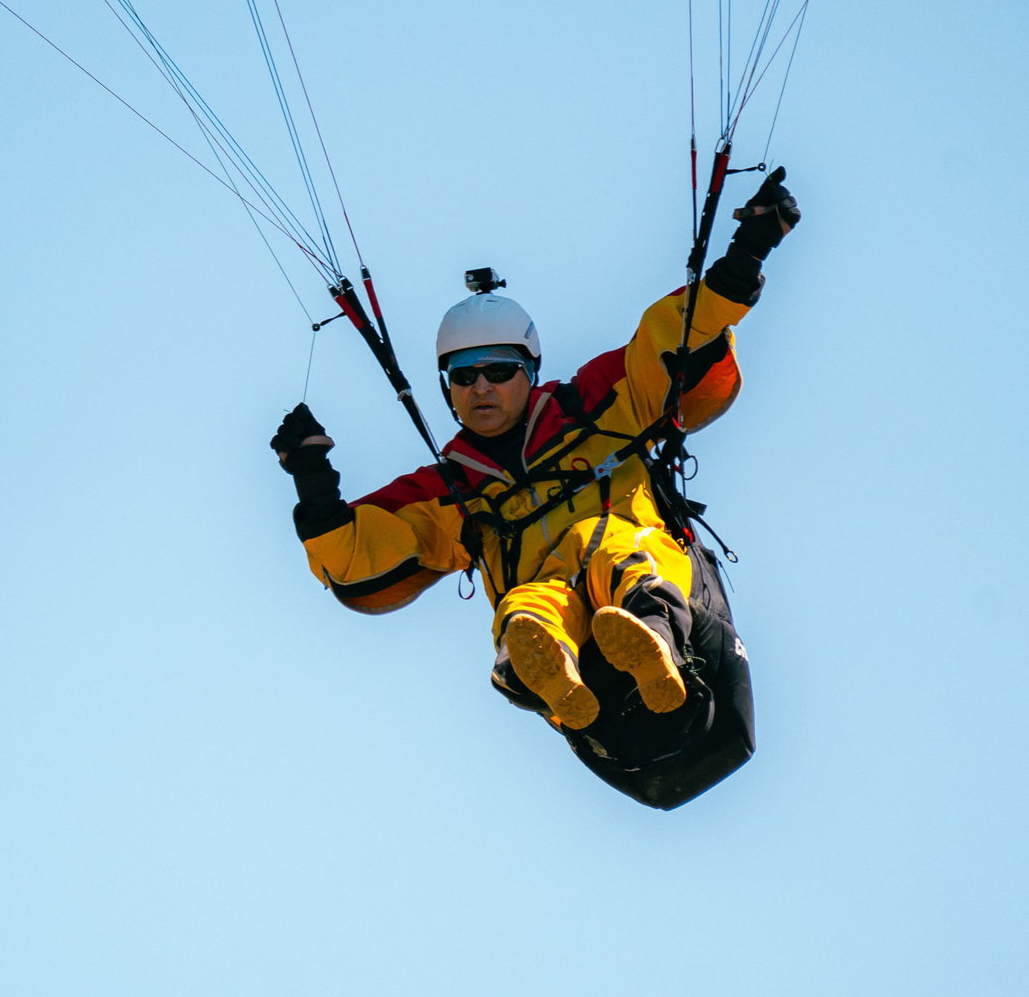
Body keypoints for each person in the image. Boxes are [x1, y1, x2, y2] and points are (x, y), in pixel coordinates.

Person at [269, 170, 800, 807]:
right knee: (528, 601)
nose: (482, 388)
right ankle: (545, 668)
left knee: (602, 545)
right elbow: (354, 555)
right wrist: (311, 474)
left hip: (663, 602)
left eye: (500, 370)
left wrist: (749, 252)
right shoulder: (454, 489)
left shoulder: (602, 405)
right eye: (463, 376)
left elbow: (675, 334)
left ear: (531, 370)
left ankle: (653, 640)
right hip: (588, 679)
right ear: (446, 387)